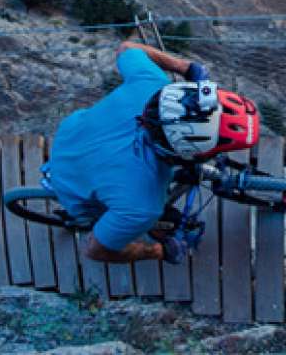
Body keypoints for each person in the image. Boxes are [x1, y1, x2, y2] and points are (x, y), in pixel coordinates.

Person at [42, 37, 258, 264]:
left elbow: (127, 48)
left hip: (72, 135)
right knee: (129, 220)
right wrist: (157, 251)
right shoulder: (141, 205)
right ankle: (107, 218)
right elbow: (95, 250)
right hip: (71, 188)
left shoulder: (152, 83)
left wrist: (184, 67)